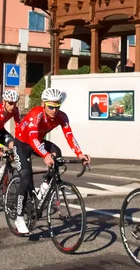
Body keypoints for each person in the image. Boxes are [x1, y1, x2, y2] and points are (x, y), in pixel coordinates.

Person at [13, 87, 90, 234]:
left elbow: (69, 136)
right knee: (26, 177)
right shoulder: (36, 115)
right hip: (23, 143)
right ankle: (19, 217)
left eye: (57, 107)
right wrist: (44, 155)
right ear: (43, 104)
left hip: (37, 142)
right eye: (51, 107)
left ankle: (44, 187)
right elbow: (32, 138)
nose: (54, 110)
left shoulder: (62, 116)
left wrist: (80, 154)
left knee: (57, 153)